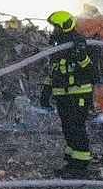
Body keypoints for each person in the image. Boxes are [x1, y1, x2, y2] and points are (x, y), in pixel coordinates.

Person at [40, 10, 96, 176]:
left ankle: (81, 164)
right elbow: (54, 71)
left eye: (56, 27)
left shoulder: (80, 43)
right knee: (67, 127)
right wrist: (46, 91)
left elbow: (92, 73)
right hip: (62, 94)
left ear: (64, 27)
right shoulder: (57, 48)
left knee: (76, 127)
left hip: (78, 93)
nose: (53, 31)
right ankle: (73, 161)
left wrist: (82, 57)